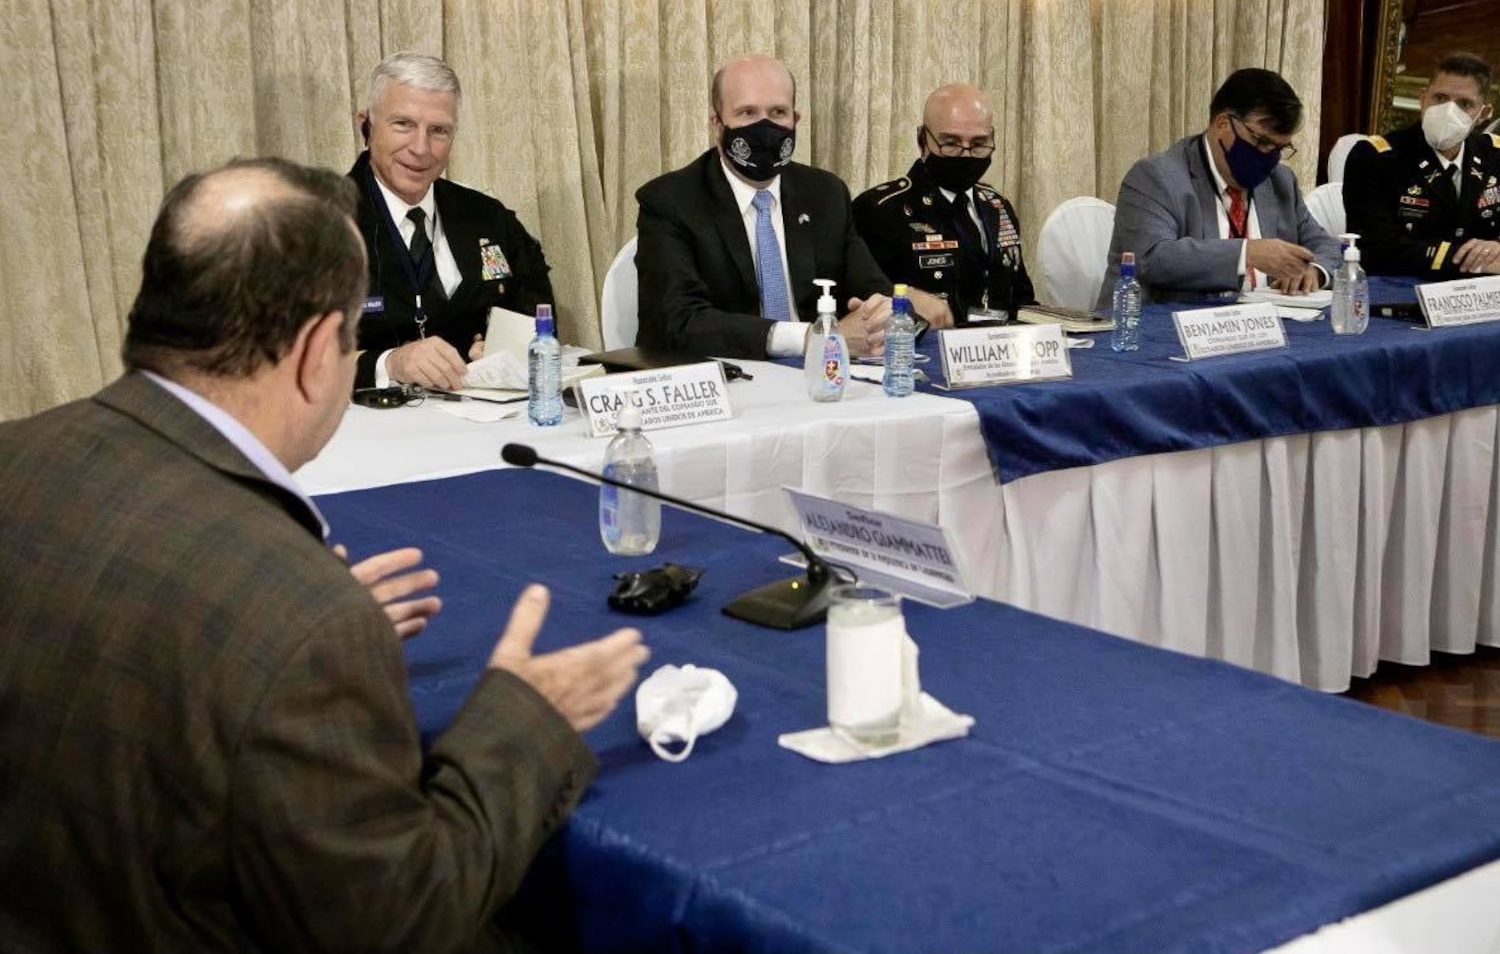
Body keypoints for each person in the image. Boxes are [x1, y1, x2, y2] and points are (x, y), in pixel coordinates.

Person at [0, 158, 649, 951]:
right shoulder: (302, 616)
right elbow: (400, 923)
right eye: (351, 342)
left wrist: (264, 646)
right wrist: (525, 722)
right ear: (316, 354)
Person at [634, 54, 951, 359]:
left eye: (777, 113)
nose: (764, 127)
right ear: (716, 124)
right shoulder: (671, 201)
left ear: (795, 120)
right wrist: (814, 338)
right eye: (747, 113)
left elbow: (869, 288)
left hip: (822, 379)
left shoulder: (825, 194)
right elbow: (677, 323)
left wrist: (890, 309)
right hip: (728, 382)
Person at [348, 52, 554, 390]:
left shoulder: (486, 217)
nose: (421, 148)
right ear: (366, 127)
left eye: (438, 131)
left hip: (477, 415)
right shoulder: (316, 225)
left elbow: (537, 311)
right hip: (362, 422)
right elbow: (284, 359)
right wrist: (389, 363)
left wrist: (508, 349)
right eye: (403, 124)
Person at [1099, 68, 1339, 307]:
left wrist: (1314, 270)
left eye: (1279, 148)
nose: (1269, 156)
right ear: (1223, 124)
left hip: (1260, 330)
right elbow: (1150, 259)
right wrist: (1247, 253)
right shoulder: (1157, 176)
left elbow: (1327, 246)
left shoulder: (1280, 181)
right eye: (1261, 141)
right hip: (1160, 332)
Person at [1343, 52, 1500, 278]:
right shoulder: (1378, 158)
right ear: (1423, 99)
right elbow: (1376, 250)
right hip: (1404, 290)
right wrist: (1488, 263)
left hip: (1481, 295)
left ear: (1483, 114)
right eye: (1440, 98)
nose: (1449, 111)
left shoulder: (1492, 156)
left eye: (1464, 104)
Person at [853, 84, 1034, 322]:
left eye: (979, 144)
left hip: (999, 350)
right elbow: (862, 300)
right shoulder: (881, 210)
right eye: (951, 143)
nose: (966, 154)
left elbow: (1022, 299)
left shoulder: (997, 206)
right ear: (922, 140)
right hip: (925, 350)